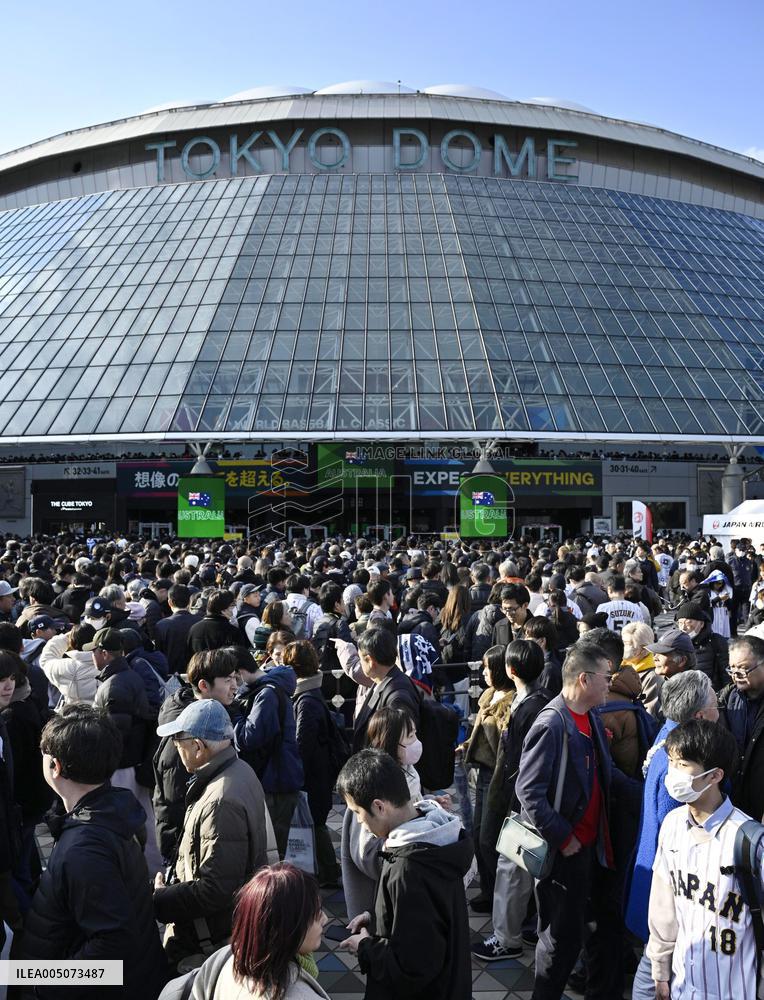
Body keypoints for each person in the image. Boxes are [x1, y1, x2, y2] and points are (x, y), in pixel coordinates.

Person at [22, 704, 167, 999]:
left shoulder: (84, 850)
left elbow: (113, 946)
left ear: (56, 767)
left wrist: (43, 984)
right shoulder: (114, 809)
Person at [515, 643, 624, 1000]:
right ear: (584, 679)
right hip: (565, 854)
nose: (611, 684)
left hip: (592, 845)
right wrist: (564, 838)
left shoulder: (590, 714)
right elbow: (528, 792)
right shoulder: (551, 723)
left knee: (594, 929)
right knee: (559, 942)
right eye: (607, 678)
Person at [337, 748, 473, 1000]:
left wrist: (365, 947)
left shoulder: (409, 867)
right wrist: (375, 917)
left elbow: (414, 967)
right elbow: (425, 917)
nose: (358, 823)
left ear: (379, 807)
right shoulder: (435, 837)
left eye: (357, 813)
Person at [646, 719, 760, 999]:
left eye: (683, 765)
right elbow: (663, 908)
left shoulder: (748, 841)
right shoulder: (672, 824)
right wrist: (661, 971)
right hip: (684, 984)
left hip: (736, 988)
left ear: (714, 775)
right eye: (671, 761)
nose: (672, 772)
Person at [153, 699, 270, 971]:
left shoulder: (220, 801)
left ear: (198, 746)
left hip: (212, 938)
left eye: (178, 741)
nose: (175, 747)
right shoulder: (238, 770)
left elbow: (215, 890)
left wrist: (160, 899)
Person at [625, 671, 720, 1000]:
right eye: (713, 704)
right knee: (654, 970)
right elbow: (677, 832)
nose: (718, 709)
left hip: (652, 875)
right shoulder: (680, 764)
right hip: (665, 886)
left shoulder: (668, 737)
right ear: (699, 716)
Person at [472, 639, 553, 962]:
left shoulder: (530, 707)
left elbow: (517, 759)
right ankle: (526, 932)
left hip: (525, 802)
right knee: (526, 871)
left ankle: (507, 938)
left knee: (514, 868)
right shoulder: (539, 700)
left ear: (511, 669)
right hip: (530, 800)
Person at [165, 863, 330, 1000]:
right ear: (288, 928)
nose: (325, 919)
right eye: (316, 914)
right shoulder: (296, 995)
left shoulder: (226, 959)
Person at [152, 648, 240, 863]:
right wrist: (178, 855)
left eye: (235, 678)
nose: (235, 686)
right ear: (203, 685)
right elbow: (176, 802)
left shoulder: (213, 717)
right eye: (227, 680)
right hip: (189, 848)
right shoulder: (184, 736)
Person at [88, 626, 163, 873]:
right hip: (134, 762)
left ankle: (142, 872)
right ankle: (153, 870)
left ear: (104, 653)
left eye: (94, 652)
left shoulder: (115, 685)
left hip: (123, 766)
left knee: (128, 821)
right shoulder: (125, 676)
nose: (92, 657)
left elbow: (115, 736)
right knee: (145, 819)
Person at [460, 644, 514, 913]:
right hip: (479, 773)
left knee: (489, 837)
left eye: (487, 668)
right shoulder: (489, 695)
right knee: (478, 834)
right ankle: (487, 889)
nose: (483, 673)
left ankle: (498, 895)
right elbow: (480, 731)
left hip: (496, 777)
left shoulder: (511, 703)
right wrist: (467, 744)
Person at [234, 652, 304, 858]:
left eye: (232, 678)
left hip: (275, 782)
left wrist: (234, 714)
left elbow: (248, 738)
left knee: (272, 848)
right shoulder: (265, 689)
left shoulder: (267, 694)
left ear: (240, 673)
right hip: (276, 777)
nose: (231, 685)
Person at [287, 639, 342, 887]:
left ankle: (328, 872)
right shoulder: (311, 692)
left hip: (314, 774)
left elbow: (302, 743)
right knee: (317, 822)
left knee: (316, 822)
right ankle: (327, 870)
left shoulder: (305, 700)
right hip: (320, 771)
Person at [351, 626, 420, 752]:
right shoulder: (384, 681)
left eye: (360, 659)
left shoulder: (398, 695)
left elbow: (399, 745)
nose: (360, 664)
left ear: (370, 661)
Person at [718, 634, 764, 822]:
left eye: (744, 668)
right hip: (734, 805)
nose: (736, 674)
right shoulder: (726, 699)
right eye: (732, 667)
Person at [37, 622, 97, 708]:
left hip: (71, 715)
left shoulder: (64, 666)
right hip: (102, 715)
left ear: (72, 643)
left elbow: (46, 659)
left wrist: (66, 638)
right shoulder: (107, 664)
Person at [675, 600, 728, 690]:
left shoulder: (716, 642)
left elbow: (726, 676)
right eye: (680, 623)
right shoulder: (675, 642)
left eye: (688, 622)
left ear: (701, 623)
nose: (683, 627)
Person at [154, 584, 199, 677]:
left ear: (170, 602)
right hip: (196, 675)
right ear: (189, 601)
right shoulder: (200, 622)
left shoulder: (161, 625)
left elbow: (159, 654)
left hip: (171, 676)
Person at [187, 589, 247, 655]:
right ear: (223, 609)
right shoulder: (231, 631)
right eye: (232, 605)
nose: (235, 608)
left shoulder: (194, 629)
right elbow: (240, 656)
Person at [235, 582, 263, 647]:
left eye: (259, 595)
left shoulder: (241, 609)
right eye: (255, 596)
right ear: (246, 599)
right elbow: (258, 644)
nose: (259, 598)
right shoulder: (250, 618)